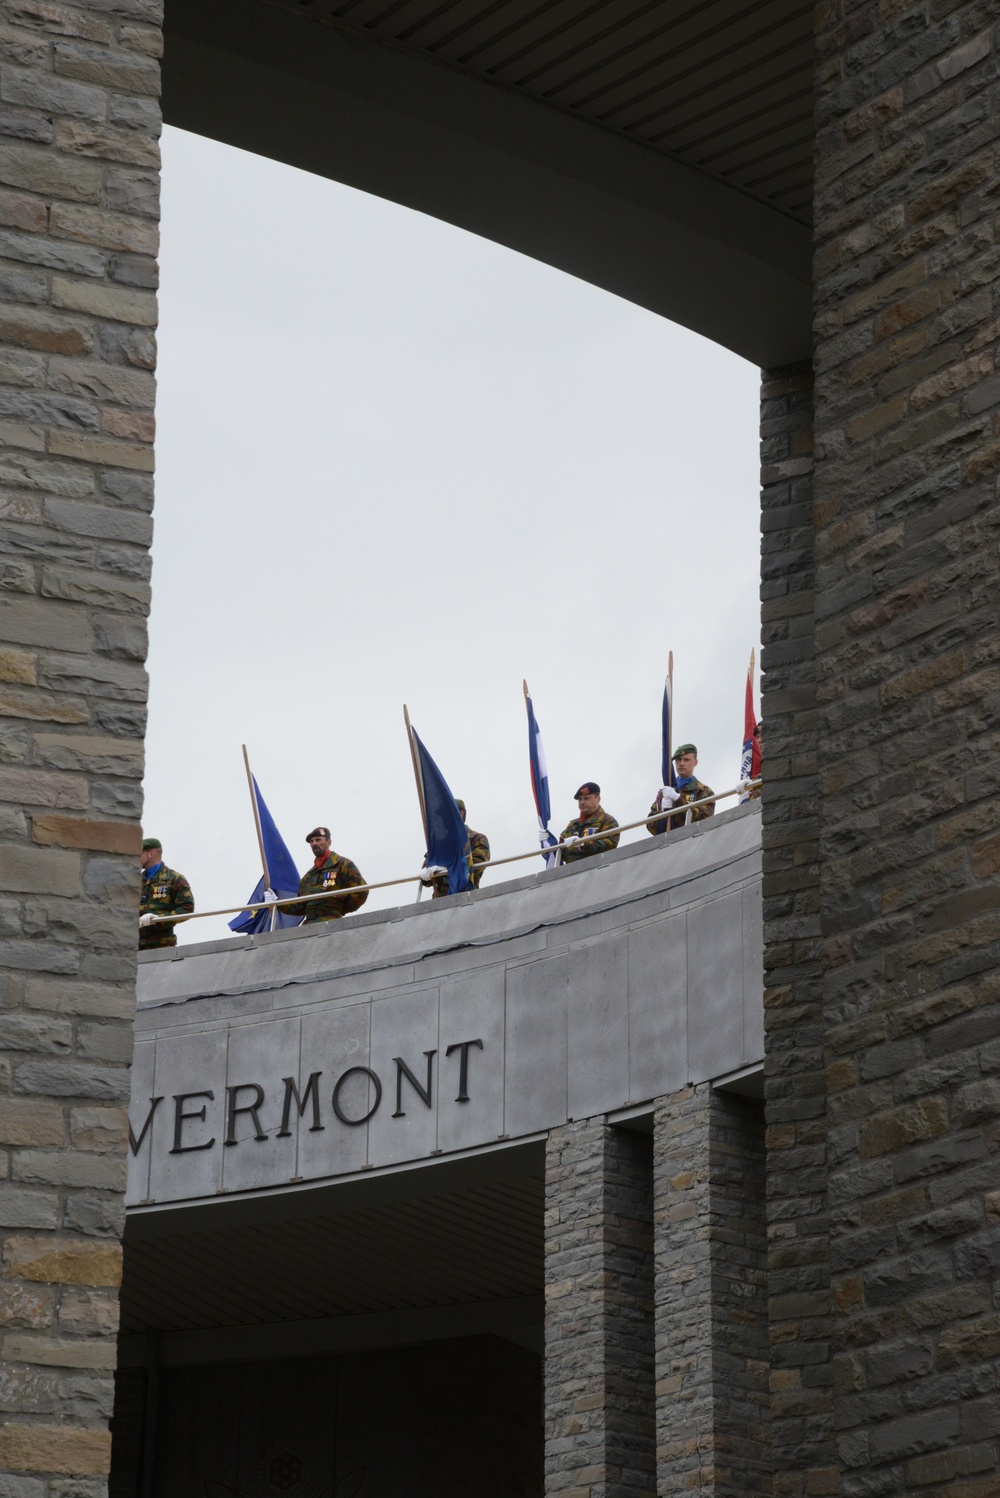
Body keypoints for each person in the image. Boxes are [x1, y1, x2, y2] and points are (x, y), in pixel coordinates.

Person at [282, 827, 368, 924]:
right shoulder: (308, 877)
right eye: (311, 841)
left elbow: (361, 891)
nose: (314, 843)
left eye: (318, 840)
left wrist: (339, 909)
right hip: (309, 925)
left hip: (332, 922)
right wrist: (276, 901)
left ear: (329, 842)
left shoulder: (343, 865)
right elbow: (299, 906)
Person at [425, 800, 490, 898]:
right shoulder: (439, 845)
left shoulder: (477, 839)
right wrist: (429, 870)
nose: (443, 818)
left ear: (460, 814)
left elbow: (476, 868)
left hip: (467, 897)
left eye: (446, 814)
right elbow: (426, 880)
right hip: (440, 901)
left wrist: (444, 867)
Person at [138, 837, 194, 950]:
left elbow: (186, 909)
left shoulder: (174, 879)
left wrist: (159, 919)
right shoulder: (134, 880)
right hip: (133, 945)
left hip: (161, 945)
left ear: (151, 854)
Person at [647, 744, 715, 835]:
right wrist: (662, 812)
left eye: (686, 760)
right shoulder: (666, 792)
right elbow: (651, 826)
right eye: (678, 760)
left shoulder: (703, 791)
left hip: (692, 839)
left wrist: (678, 800)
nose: (681, 763)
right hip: (669, 841)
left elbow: (705, 819)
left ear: (695, 762)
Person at [558, 782, 620, 863]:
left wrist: (583, 844)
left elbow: (609, 845)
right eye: (580, 799)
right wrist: (547, 842)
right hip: (571, 869)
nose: (582, 802)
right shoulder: (572, 826)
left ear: (598, 799)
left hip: (597, 867)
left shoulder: (607, 821)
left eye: (586, 798)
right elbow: (559, 852)